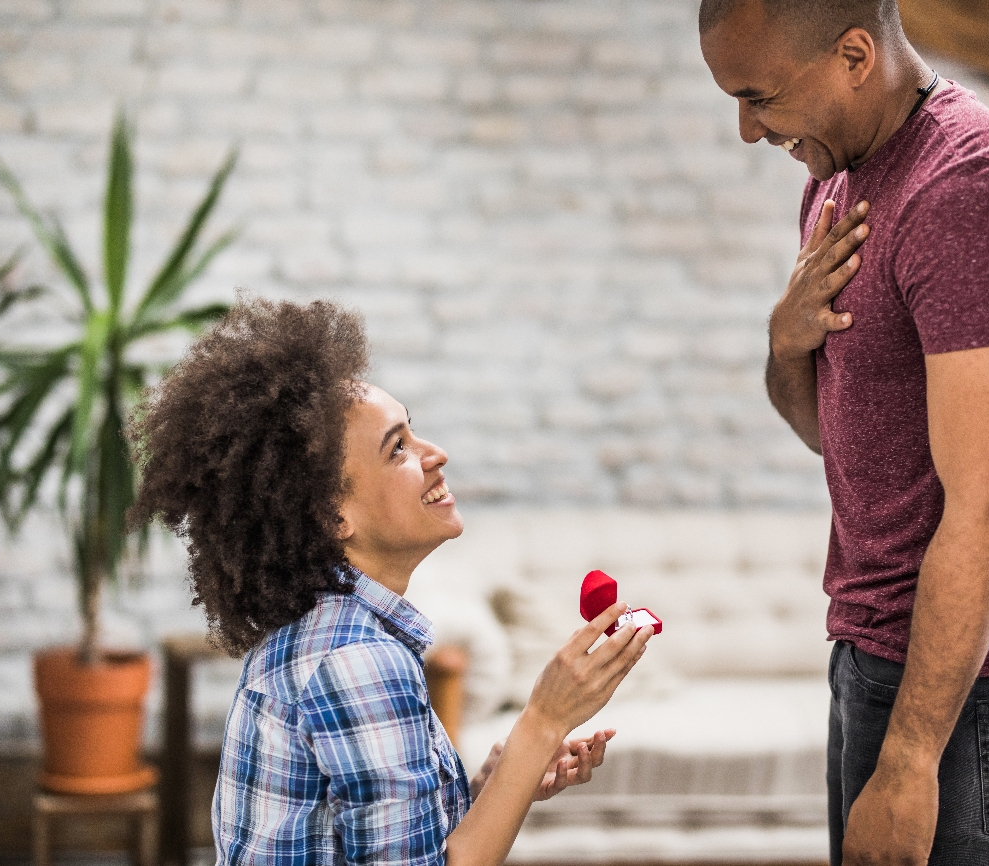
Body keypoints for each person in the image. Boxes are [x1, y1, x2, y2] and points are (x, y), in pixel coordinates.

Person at [698, 2, 989, 864]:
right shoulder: (837, 182)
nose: (747, 130)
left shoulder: (967, 192)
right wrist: (786, 342)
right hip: (881, 641)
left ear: (855, 55)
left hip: (981, 675)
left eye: (759, 97)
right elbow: (838, 437)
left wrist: (911, 759)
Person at [129, 298, 654, 866]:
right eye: (397, 447)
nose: (435, 454)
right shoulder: (358, 662)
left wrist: (501, 781)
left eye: (413, 432)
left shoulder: (326, 636)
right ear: (333, 516)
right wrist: (542, 723)